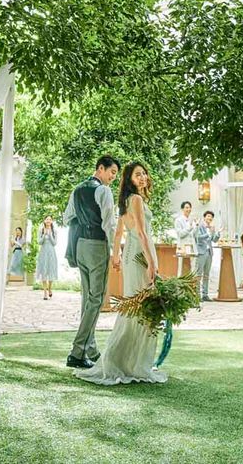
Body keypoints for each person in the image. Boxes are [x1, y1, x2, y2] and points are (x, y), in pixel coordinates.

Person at [76, 161, 167, 385]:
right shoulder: (136, 200)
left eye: (144, 173)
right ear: (130, 179)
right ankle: (130, 362)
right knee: (139, 307)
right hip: (139, 254)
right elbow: (142, 233)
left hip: (130, 254)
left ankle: (128, 360)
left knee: (133, 306)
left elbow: (119, 233)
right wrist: (151, 263)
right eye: (138, 175)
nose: (143, 177)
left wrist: (116, 256)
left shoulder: (125, 200)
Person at [64, 155, 120, 369]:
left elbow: (67, 217)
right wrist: (116, 250)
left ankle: (91, 349)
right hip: (97, 246)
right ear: (101, 168)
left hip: (80, 246)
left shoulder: (77, 190)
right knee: (96, 299)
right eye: (112, 172)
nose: (113, 177)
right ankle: (77, 352)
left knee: (87, 298)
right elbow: (109, 223)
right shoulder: (103, 191)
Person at [193, 210, 219, 301]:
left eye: (211, 217)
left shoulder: (211, 227)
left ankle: (205, 294)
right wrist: (208, 233)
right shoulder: (199, 226)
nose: (209, 218)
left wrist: (217, 233)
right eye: (208, 216)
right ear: (204, 217)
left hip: (209, 252)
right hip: (201, 252)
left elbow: (214, 240)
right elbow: (197, 237)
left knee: (206, 274)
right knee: (198, 274)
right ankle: (197, 295)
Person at [36, 215, 59, 299]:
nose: (48, 221)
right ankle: (45, 292)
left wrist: (50, 235)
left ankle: (50, 288)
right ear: (44, 221)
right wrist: (44, 235)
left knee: (51, 270)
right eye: (47, 219)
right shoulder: (41, 230)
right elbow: (39, 242)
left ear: (52, 221)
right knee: (44, 271)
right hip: (43, 252)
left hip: (51, 252)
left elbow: (54, 243)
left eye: (50, 219)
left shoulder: (54, 231)